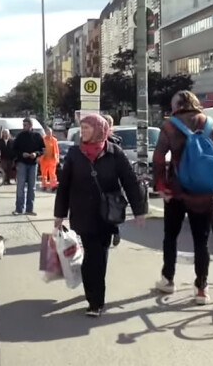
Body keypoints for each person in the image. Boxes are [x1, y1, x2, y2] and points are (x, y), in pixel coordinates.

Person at [55, 113, 146, 316]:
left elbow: (130, 183)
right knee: (92, 254)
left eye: (87, 128)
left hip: (107, 214)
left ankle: (96, 299)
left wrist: (139, 211)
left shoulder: (115, 153)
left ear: (99, 130)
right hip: (83, 213)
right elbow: (64, 187)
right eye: (82, 128)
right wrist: (59, 214)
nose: (83, 132)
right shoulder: (75, 154)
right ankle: (94, 300)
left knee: (99, 256)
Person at [152, 90, 213, 304]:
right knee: (201, 242)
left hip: (177, 192)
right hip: (204, 194)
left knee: (170, 237)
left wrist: (160, 186)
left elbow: (159, 159)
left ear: (176, 106)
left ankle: (168, 280)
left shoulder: (170, 126)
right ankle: (201, 289)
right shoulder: (212, 125)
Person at [12, 118, 45, 215]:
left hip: (33, 163)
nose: (24, 127)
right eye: (23, 125)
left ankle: (29, 209)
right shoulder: (20, 136)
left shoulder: (37, 136)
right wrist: (22, 154)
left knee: (32, 187)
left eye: (25, 125)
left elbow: (42, 149)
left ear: (31, 126)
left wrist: (36, 154)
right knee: (20, 186)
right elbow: (14, 149)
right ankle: (19, 209)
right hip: (22, 163)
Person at [103, 114, 122, 247]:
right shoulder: (115, 141)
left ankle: (114, 232)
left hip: (111, 181)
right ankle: (113, 232)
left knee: (111, 209)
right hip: (108, 180)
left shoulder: (114, 141)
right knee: (109, 209)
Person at [39, 127, 59, 191]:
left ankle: (53, 186)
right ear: (45, 133)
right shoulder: (42, 139)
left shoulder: (54, 140)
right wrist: (39, 157)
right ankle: (44, 185)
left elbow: (57, 150)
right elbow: (40, 148)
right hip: (44, 159)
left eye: (50, 132)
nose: (49, 133)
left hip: (52, 159)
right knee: (44, 173)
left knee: (52, 173)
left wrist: (57, 158)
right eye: (48, 132)